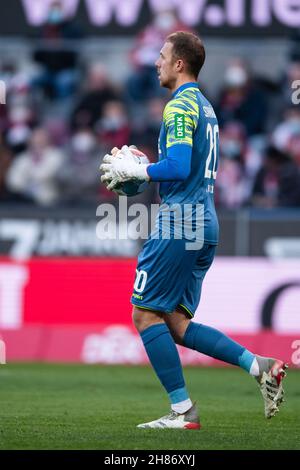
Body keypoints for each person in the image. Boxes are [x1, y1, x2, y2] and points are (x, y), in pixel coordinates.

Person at [100, 31, 288, 429]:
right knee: (176, 323)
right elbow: (185, 165)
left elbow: (179, 166)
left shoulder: (178, 107)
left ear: (179, 63)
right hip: (205, 219)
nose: (157, 62)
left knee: (144, 314)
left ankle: (183, 411)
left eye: (163, 56)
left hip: (180, 218)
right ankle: (260, 366)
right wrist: (150, 169)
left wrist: (141, 170)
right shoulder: (205, 106)